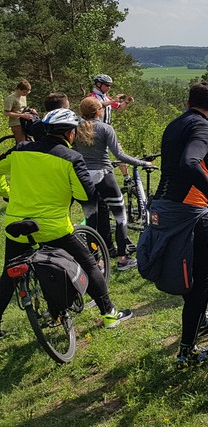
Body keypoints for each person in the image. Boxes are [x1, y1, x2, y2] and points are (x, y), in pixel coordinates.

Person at [0, 108, 133, 337]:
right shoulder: (71, 157)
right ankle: (109, 313)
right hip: (53, 227)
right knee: (89, 263)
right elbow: (85, 195)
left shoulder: (20, 150)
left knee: (8, 275)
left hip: (16, 226)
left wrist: (7, 191)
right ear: (70, 134)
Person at [146, 80, 208, 364]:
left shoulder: (175, 124)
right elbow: (190, 162)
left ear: (187, 103)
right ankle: (187, 350)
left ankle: (199, 321)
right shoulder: (205, 126)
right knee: (202, 280)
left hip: (164, 206)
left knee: (189, 272)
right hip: (189, 212)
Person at [74, 98, 153, 271]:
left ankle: (96, 262)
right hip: (104, 175)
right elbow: (120, 155)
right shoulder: (105, 128)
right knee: (120, 217)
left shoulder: (75, 128)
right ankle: (123, 259)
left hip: (84, 177)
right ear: (98, 112)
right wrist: (142, 163)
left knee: (91, 220)